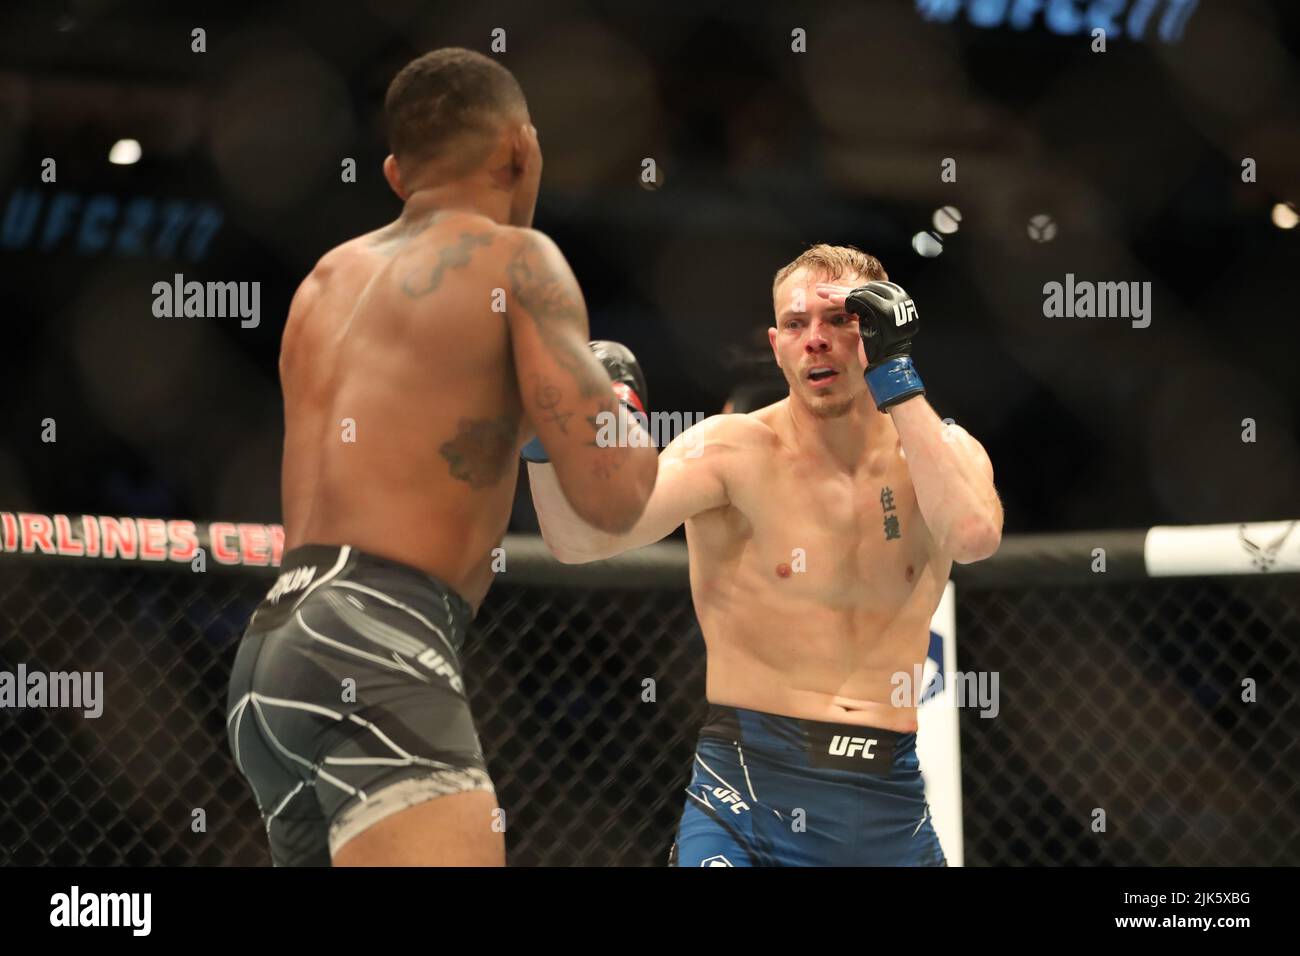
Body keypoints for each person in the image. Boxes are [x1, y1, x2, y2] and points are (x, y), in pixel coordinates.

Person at [224, 47, 656, 867]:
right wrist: (621, 398)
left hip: (270, 653)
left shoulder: (324, 280)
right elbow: (613, 498)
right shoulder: (519, 262)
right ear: (522, 148)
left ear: (395, 172)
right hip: (381, 636)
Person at [527, 244, 1002, 866]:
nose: (816, 340)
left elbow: (972, 537)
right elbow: (579, 541)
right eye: (798, 324)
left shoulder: (942, 452)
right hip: (745, 792)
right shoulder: (730, 452)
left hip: (888, 807)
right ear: (777, 344)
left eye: (840, 319)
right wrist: (541, 439)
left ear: (879, 329)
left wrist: (899, 374)